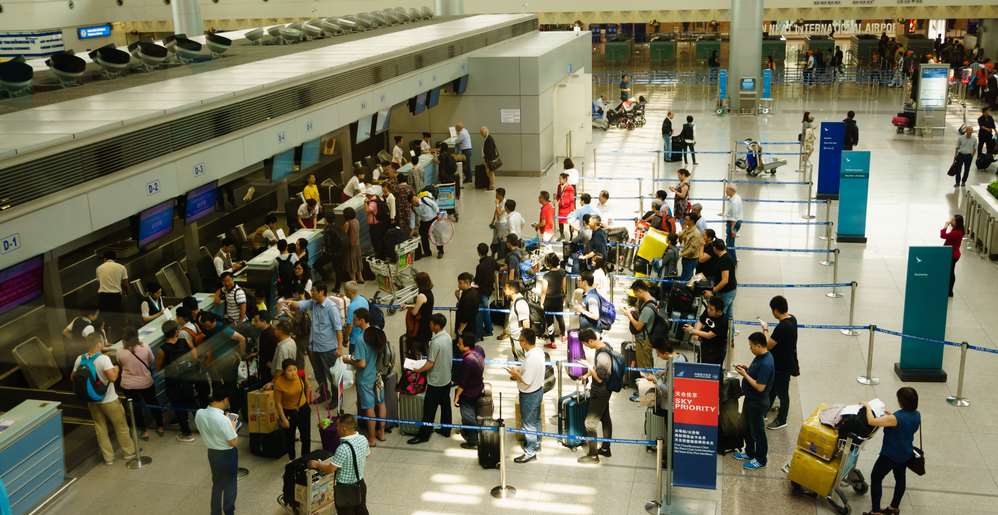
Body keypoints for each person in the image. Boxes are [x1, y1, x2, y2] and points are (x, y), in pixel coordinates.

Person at [73, 328, 136, 465]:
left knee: (100, 429)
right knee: (121, 426)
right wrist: (117, 368)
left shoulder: (80, 359)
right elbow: (112, 378)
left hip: (91, 400)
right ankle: (128, 453)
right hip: (109, 400)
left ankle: (108, 458)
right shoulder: (103, 359)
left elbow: (73, 377)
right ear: (99, 344)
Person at [862, 387, 921, 515]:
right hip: (906, 454)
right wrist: (890, 417)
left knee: (876, 477)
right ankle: (894, 507)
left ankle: (876, 511)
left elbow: (871, 421)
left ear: (902, 401)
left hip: (890, 455)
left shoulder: (896, 418)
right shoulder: (917, 415)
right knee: (900, 479)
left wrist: (867, 406)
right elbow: (906, 427)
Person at [288, 284, 344, 405]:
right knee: (319, 374)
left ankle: (336, 398)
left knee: (332, 375)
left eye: (313, 291)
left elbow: (338, 329)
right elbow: (300, 305)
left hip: (328, 348)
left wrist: (339, 347)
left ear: (321, 292)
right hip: (314, 346)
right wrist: (288, 302)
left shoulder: (331, 308)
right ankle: (324, 394)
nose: (311, 293)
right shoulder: (313, 303)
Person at [308, 414, 370, 515]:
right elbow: (366, 454)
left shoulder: (343, 448)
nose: (336, 429)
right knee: (361, 510)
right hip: (360, 484)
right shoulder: (363, 439)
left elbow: (331, 469)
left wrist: (317, 465)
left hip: (345, 490)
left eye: (337, 426)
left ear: (344, 428)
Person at [406, 314, 454, 445]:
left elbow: (430, 363)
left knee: (429, 409)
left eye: (431, 323)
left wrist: (416, 369)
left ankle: (424, 435)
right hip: (446, 377)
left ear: (437, 326)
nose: (429, 325)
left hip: (436, 380)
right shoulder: (447, 337)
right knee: (445, 406)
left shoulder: (435, 342)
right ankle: (446, 429)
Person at [733, 332, 774, 471]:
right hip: (750, 400)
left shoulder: (766, 363)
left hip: (758, 402)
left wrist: (745, 375)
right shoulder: (759, 357)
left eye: (751, 346)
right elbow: (755, 374)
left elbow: (760, 387)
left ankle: (761, 459)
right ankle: (750, 452)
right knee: (746, 427)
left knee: (758, 432)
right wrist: (747, 369)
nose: (749, 348)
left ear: (758, 345)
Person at [345, 310, 387, 446]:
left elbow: (361, 363)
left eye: (355, 320)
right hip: (378, 375)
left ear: (362, 320)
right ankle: (381, 433)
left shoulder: (361, 339)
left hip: (365, 379)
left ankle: (372, 439)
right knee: (381, 404)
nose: (354, 322)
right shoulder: (376, 331)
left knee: (369, 408)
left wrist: (348, 360)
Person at [194, 389, 239, 515]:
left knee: (217, 484)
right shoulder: (223, 420)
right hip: (227, 455)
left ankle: (215, 512)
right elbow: (233, 442)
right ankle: (229, 511)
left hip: (212, 453)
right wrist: (232, 426)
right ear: (225, 400)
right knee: (230, 484)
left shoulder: (199, 413)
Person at [117, 326, 164, 440]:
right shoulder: (145, 347)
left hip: (128, 385)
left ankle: (143, 431)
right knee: (153, 403)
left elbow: (120, 364)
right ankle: (160, 426)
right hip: (145, 382)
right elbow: (151, 360)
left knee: (136, 408)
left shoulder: (120, 351)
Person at [576, 328, 615, 464]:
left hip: (600, 391)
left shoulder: (602, 356)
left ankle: (593, 455)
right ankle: (605, 448)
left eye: (586, 344)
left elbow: (599, 379)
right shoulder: (604, 346)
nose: (586, 346)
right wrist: (586, 375)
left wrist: (588, 366)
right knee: (605, 418)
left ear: (591, 340)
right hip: (605, 390)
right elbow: (597, 370)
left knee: (590, 423)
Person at [156, 320, 198, 442]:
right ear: (176, 332)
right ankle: (203, 427)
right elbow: (195, 355)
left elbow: (159, 368)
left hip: (173, 382)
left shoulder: (162, 349)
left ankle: (187, 433)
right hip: (187, 379)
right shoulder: (185, 342)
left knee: (179, 407)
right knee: (192, 403)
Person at [506, 328, 544, 463]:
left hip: (529, 394)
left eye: (520, 341)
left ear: (524, 342)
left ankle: (530, 452)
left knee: (528, 423)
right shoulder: (538, 352)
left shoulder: (531, 358)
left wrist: (516, 374)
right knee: (536, 419)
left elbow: (527, 381)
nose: (519, 343)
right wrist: (520, 370)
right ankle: (537, 443)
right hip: (538, 390)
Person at [760, 295, 798, 430]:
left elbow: (767, 346)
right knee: (772, 389)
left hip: (782, 366)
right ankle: (763, 412)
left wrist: (765, 330)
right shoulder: (792, 319)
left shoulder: (782, 327)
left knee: (782, 393)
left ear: (775, 310)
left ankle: (782, 419)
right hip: (786, 361)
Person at [265, 359, 311, 460]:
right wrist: (284, 419)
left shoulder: (300, 374)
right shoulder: (279, 383)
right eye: (289, 370)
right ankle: (292, 459)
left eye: (294, 369)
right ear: (284, 371)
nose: (293, 373)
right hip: (289, 412)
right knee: (290, 438)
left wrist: (307, 400)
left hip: (303, 408)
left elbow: (307, 385)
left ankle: (306, 459)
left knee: (306, 437)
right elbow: (278, 403)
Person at [624, 281, 657, 400]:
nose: (636, 296)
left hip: (644, 341)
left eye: (636, 293)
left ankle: (646, 395)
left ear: (640, 291)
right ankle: (646, 392)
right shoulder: (651, 302)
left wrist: (629, 315)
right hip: (646, 339)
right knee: (646, 366)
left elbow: (638, 326)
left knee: (645, 368)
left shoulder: (648, 308)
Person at [454, 331, 485, 449]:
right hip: (478, 387)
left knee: (468, 416)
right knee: (473, 412)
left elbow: (463, 383)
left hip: (468, 393)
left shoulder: (468, 361)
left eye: (460, 343)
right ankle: (468, 431)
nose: (458, 345)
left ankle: (473, 441)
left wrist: (457, 396)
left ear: (466, 345)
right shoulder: (479, 350)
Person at [683, 296, 728, 365]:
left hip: (716, 350)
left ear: (719, 312)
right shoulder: (709, 311)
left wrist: (693, 331)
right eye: (708, 307)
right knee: (700, 364)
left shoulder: (723, 321)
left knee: (711, 370)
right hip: (704, 346)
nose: (708, 310)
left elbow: (709, 335)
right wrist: (696, 333)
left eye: (711, 309)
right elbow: (701, 321)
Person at [95, 250, 128, 337]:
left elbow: (100, 282)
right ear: (115, 259)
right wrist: (125, 293)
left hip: (103, 297)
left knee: (104, 320)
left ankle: (104, 338)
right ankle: (117, 337)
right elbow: (125, 283)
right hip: (115, 297)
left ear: (105, 259)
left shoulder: (99, 268)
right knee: (117, 319)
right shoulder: (121, 267)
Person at [704, 240, 737, 321]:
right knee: (728, 315)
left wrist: (713, 291)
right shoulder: (725, 256)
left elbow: (725, 280)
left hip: (726, 292)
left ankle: (721, 333)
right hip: (730, 290)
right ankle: (730, 332)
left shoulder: (724, 260)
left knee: (720, 316)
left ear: (715, 248)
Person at [539, 253, 567, 349]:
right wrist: (563, 297)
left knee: (550, 321)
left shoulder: (546, 276)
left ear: (548, 263)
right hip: (559, 299)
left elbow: (544, 291)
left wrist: (541, 303)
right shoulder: (563, 272)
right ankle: (563, 336)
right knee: (560, 318)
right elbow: (564, 287)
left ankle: (552, 342)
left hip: (549, 301)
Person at [404, 272, 434, 350]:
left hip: (421, 326)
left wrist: (409, 310)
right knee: (425, 345)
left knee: (417, 346)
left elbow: (415, 312)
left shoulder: (421, 295)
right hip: (428, 323)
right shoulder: (429, 292)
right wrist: (408, 305)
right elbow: (422, 306)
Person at [474, 243, 498, 338]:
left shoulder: (480, 267)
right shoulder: (491, 260)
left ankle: (489, 330)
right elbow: (498, 267)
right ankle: (488, 328)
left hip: (482, 290)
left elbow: (477, 280)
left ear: (478, 252)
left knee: (485, 310)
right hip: (489, 289)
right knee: (485, 309)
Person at [410, 190, 442, 259]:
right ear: (411, 203)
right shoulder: (412, 208)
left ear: (416, 197)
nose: (415, 201)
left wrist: (438, 213)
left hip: (433, 219)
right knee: (423, 236)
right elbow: (412, 218)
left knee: (437, 235)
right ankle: (427, 252)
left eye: (415, 199)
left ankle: (440, 251)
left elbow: (434, 205)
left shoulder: (425, 199)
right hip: (424, 222)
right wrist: (412, 228)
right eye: (413, 201)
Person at [504, 279, 531, 356]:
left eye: (506, 289)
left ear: (512, 290)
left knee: (522, 361)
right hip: (515, 337)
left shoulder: (520, 303)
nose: (504, 291)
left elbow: (526, 322)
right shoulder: (514, 300)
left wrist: (525, 341)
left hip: (520, 339)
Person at [941, 215, 965, 297]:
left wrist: (945, 226)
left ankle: (950, 291)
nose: (951, 221)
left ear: (957, 223)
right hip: (953, 254)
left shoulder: (956, 233)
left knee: (951, 273)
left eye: (953, 220)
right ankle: (948, 289)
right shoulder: (957, 230)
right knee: (950, 272)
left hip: (952, 255)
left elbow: (943, 235)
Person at [343, 281, 370, 353]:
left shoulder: (351, 307)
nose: (344, 292)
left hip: (355, 341)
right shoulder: (363, 299)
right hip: (366, 335)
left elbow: (349, 326)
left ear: (349, 292)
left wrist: (345, 340)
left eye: (345, 290)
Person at [339, 207, 363, 283]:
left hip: (350, 245)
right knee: (357, 261)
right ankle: (361, 278)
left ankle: (353, 280)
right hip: (357, 244)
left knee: (351, 263)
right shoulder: (356, 221)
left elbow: (344, 234)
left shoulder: (347, 223)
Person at [455, 272, 481, 341]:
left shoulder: (468, 297)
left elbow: (466, 316)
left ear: (467, 282)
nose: (458, 285)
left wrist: (460, 330)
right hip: (471, 325)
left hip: (467, 329)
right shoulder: (472, 292)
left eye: (460, 283)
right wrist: (458, 297)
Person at [678, 213, 703, 281]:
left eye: (686, 219)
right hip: (685, 257)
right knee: (684, 275)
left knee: (687, 278)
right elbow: (680, 236)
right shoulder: (687, 229)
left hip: (691, 259)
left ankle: (686, 291)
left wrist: (680, 254)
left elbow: (692, 250)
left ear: (691, 221)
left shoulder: (696, 233)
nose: (684, 221)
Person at [722, 185, 743, 261]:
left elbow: (734, 217)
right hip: (734, 222)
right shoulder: (735, 197)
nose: (725, 192)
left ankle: (732, 258)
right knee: (730, 240)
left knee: (730, 241)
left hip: (733, 223)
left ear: (731, 191)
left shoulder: (735, 202)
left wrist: (732, 229)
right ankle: (731, 257)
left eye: (727, 191)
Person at [556, 172, 576, 240]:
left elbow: (572, 199)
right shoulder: (559, 186)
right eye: (559, 179)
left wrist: (572, 209)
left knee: (569, 222)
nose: (559, 180)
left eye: (560, 179)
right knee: (560, 221)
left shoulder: (570, 188)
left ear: (565, 179)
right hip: (561, 207)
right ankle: (562, 235)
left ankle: (571, 236)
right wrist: (557, 198)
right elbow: (558, 195)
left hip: (568, 208)